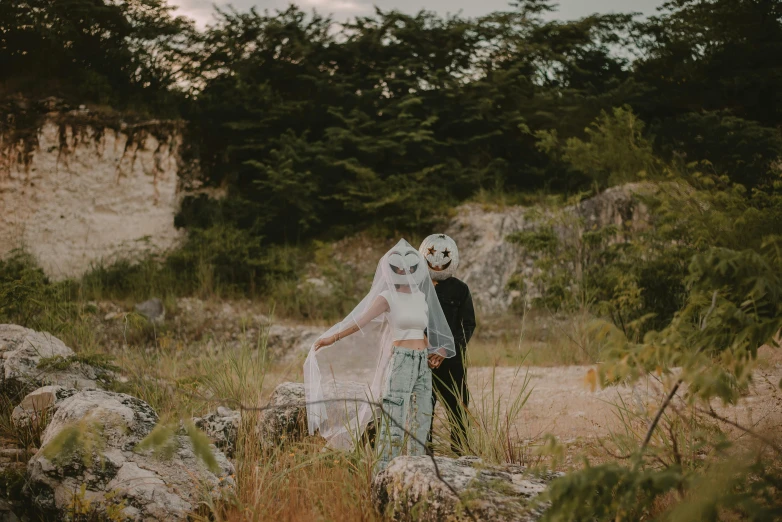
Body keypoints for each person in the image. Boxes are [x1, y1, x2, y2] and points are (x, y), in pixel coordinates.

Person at [303, 239, 455, 473]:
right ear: (391, 269)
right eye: (399, 267)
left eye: (409, 266)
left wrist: (436, 350)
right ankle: (384, 471)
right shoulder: (387, 296)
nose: (405, 270)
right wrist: (331, 337)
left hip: (422, 362)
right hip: (402, 360)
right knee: (395, 415)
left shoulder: (421, 297)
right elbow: (359, 322)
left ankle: (417, 470)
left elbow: (422, 332)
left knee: (423, 415)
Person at [419, 233, 476, 455]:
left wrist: (445, 349)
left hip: (452, 362)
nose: (436, 263)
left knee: (458, 407)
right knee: (424, 409)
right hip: (422, 360)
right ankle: (426, 453)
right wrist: (425, 349)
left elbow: (468, 325)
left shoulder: (460, 289)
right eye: (431, 258)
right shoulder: (417, 287)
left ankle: (460, 452)